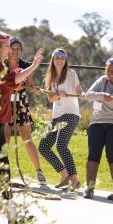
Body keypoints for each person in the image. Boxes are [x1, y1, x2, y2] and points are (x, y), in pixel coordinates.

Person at [0, 30, 43, 203]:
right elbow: (10, 82)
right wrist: (34, 66)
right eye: (7, 45)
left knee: (2, 170)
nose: (9, 49)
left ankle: (12, 214)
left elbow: (8, 83)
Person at [83, 54, 113, 199]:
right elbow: (88, 95)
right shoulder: (102, 81)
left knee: (112, 154)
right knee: (93, 154)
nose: (111, 73)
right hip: (97, 121)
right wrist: (103, 95)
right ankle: (89, 189)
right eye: (109, 70)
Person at [4, 38, 47, 188]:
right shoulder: (2, 64)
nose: (15, 51)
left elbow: (30, 85)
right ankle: (2, 172)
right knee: (5, 138)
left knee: (27, 138)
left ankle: (39, 171)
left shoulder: (25, 65)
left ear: (21, 51)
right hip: (5, 103)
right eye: (12, 48)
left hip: (21, 102)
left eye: (18, 49)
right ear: (8, 48)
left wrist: (34, 88)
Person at [39, 48, 85, 190]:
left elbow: (78, 89)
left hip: (71, 113)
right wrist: (58, 94)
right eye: (57, 57)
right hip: (56, 115)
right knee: (43, 147)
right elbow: (50, 98)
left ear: (65, 61)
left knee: (61, 145)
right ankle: (64, 175)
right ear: (53, 60)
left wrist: (82, 93)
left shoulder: (71, 74)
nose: (59, 60)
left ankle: (75, 180)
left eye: (62, 58)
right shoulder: (50, 76)